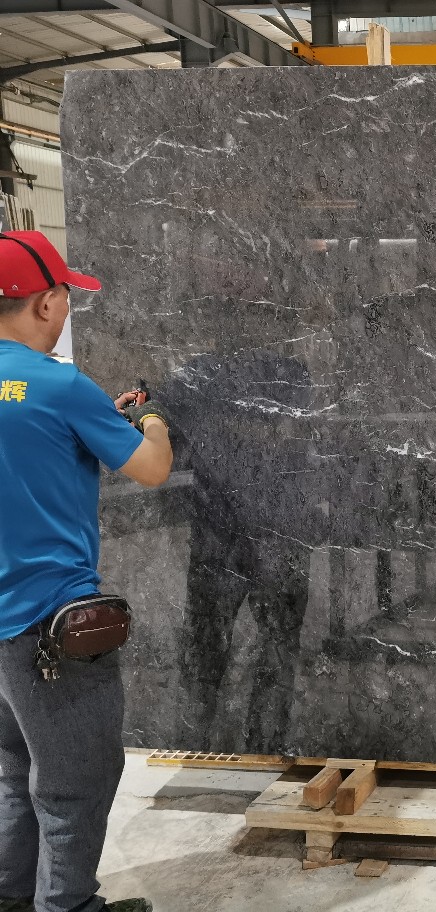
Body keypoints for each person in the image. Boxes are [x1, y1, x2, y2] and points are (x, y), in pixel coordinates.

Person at [0, 231, 172, 912]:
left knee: (14, 765)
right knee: (77, 778)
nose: (67, 308)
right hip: (48, 624)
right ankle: (68, 906)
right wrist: (149, 421)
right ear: (45, 303)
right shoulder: (60, 384)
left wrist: (100, 420)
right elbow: (151, 469)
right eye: (66, 296)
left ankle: (13, 897)